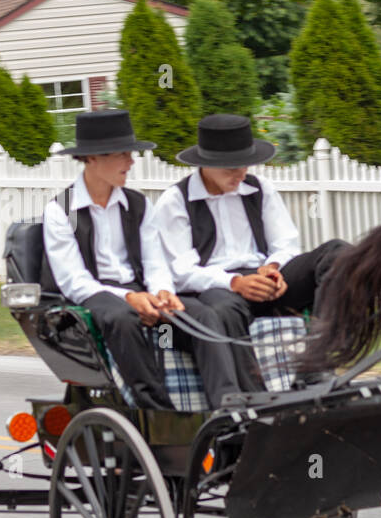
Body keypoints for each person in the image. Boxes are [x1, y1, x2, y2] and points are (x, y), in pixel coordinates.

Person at [42, 109, 241, 410]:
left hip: (141, 290)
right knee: (122, 318)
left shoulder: (138, 203)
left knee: (203, 315)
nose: (131, 162)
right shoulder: (61, 209)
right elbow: (75, 282)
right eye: (123, 154)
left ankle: (228, 405)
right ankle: (156, 410)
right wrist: (131, 298)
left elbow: (155, 262)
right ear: (92, 158)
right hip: (97, 295)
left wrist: (162, 292)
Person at [150, 113, 349, 391]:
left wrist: (274, 267)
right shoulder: (175, 201)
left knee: (337, 253)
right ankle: (252, 398)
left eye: (245, 163)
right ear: (205, 165)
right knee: (223, 309)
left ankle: (317, 363)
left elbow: (285, 243)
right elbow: (180, 271)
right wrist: (235, 283)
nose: (241, 172)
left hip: (265, 277)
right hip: (216, 285)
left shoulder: (259, 188)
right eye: (231, 167)